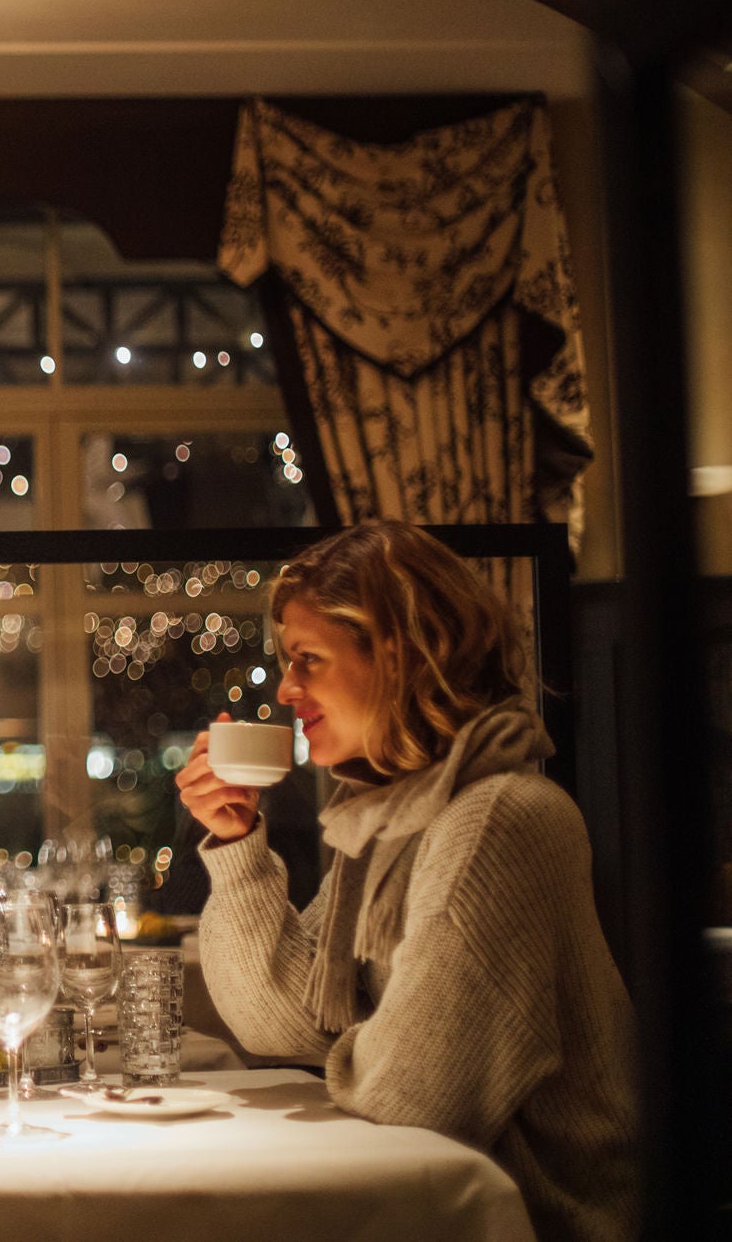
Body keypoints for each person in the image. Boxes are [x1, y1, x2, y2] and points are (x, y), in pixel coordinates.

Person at [176, 520, 636, 1242]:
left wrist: (371, 1044)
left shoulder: (496, 821)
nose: (287, 689)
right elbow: (280, 1023)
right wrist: (235, 842)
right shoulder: (394, 818)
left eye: (308, 659)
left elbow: (413, 1095)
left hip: (539, 1224)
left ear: (400, 654)